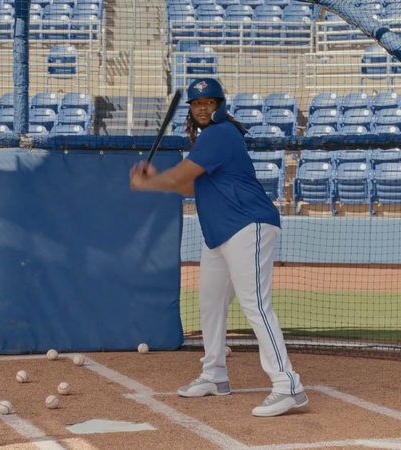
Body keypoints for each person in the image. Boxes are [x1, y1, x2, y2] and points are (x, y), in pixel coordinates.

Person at [129, 78, 307, 417]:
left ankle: (288, 385)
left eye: (209, 102)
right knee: (210, 304)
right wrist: (153, 181)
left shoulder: (221, 133)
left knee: (255, 303)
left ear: (220, 105)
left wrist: (148, 181)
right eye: (197, 104)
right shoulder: (205, 143)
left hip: (247, 225)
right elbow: (190, 185)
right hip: (219, 234)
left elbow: (181, 173)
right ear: (192, 111)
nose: (203, 108)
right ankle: (214, 375)